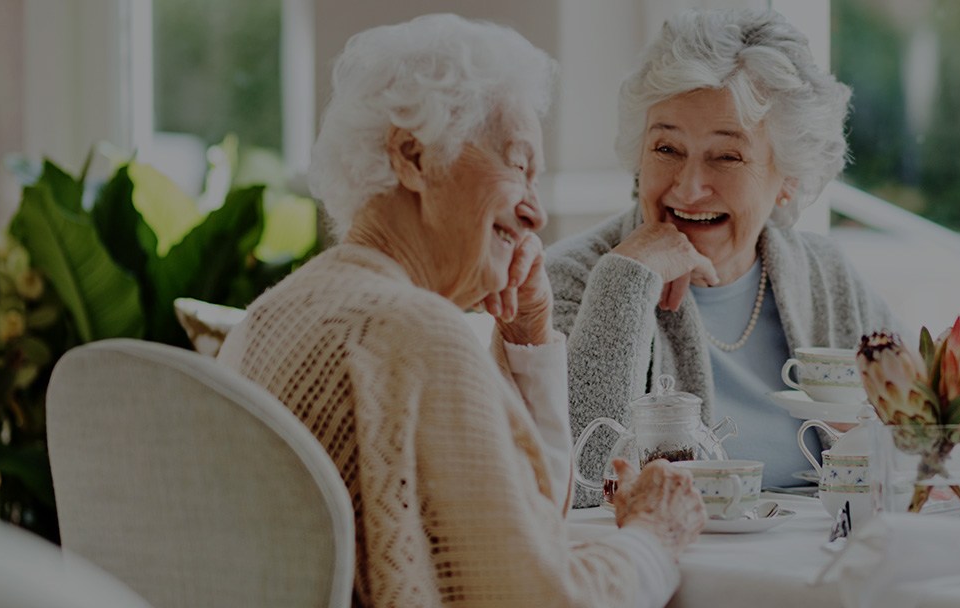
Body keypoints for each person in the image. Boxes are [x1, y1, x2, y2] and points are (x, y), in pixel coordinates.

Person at [218, 14, 702, 607]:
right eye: (518, 166)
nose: (535, 213)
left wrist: (529, 338)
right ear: (413, 156)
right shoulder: (415, 336)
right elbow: (548, 599)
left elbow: (518, 529)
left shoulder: (272, 314)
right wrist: (654, 536)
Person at [549, 8, 895, 507]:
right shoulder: (573, 278)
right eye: (666, 148)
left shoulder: (825, 274)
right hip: (671, 575)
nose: (688, 188)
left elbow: (923, 437)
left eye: (726, 156)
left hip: (823, 565)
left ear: (789, 179)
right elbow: (574, 484)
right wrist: (626, 282)